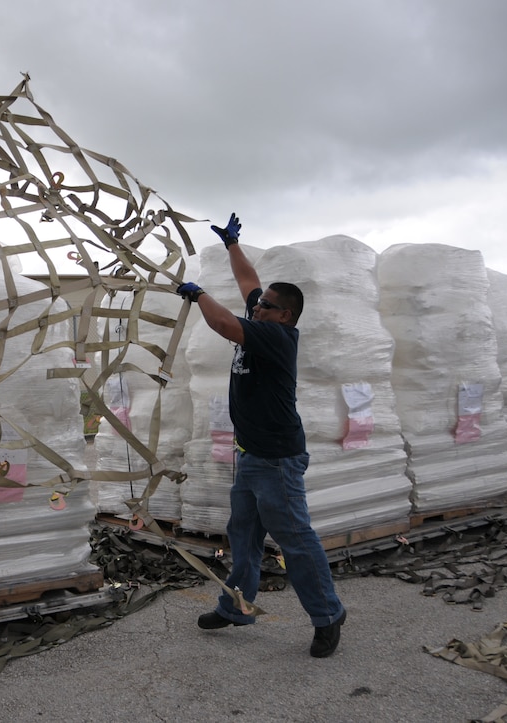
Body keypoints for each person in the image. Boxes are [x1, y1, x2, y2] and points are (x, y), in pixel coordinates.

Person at [177, 213, 346, 658]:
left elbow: (223, 324)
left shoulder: (276, 336)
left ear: (285, 316)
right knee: (244, 536)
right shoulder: (265, 316)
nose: (257, 306)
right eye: (260, 303)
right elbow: (249, 282)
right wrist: (233, 245)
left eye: (267, 305)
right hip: (250, 454)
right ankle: (236, 608)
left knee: (295, 538)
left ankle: (328, 615)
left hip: (276, 458)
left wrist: (199, 295)